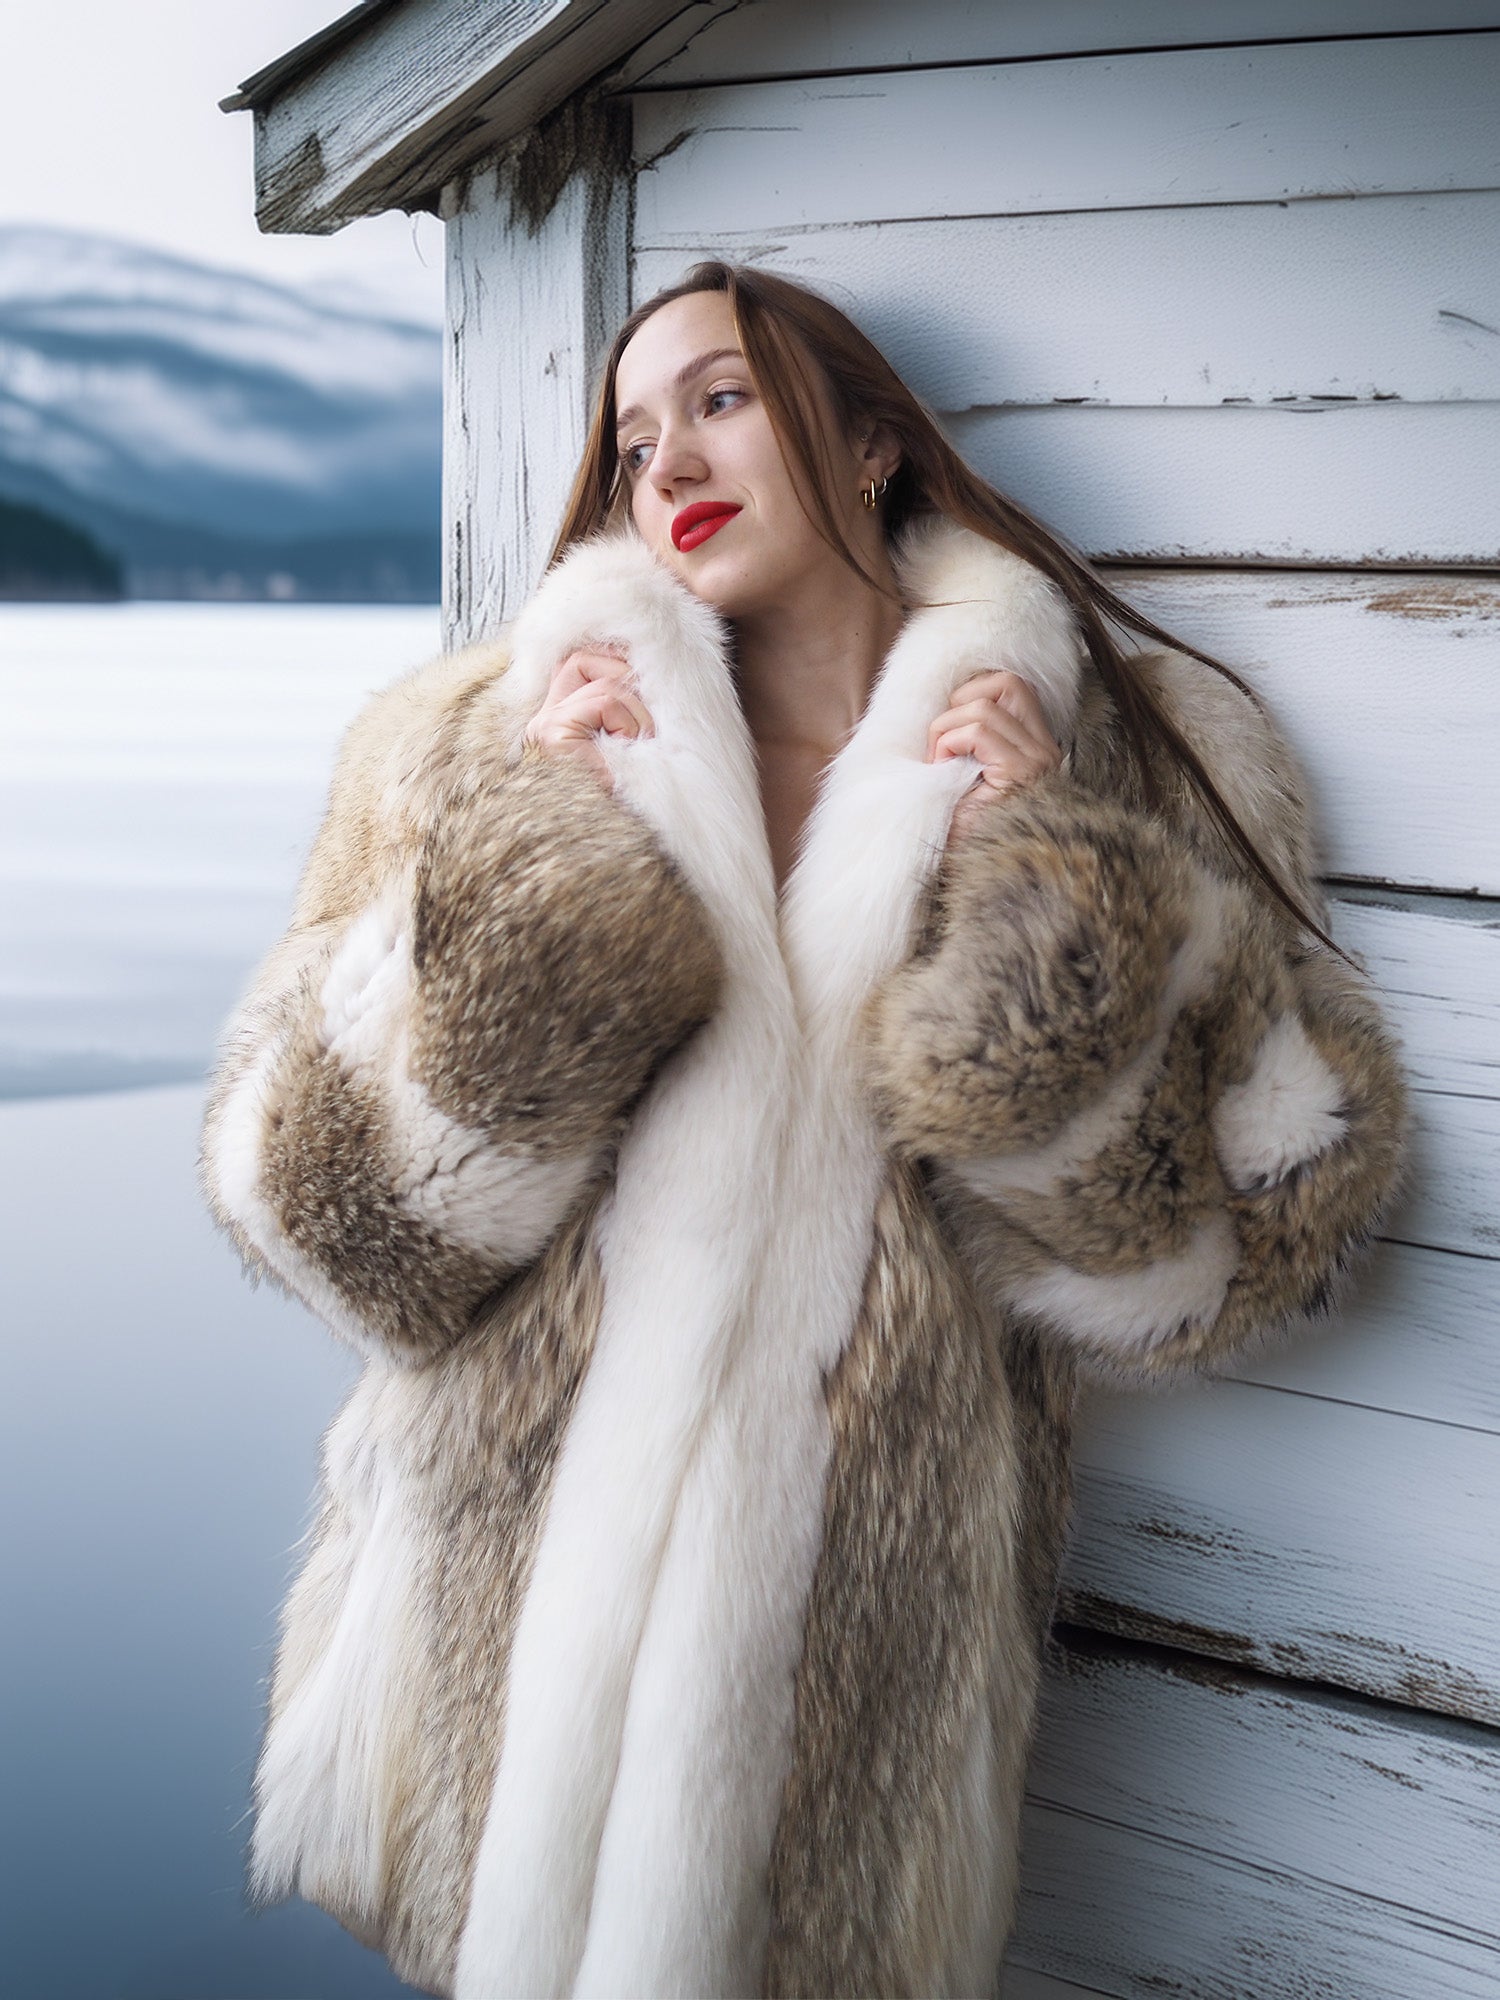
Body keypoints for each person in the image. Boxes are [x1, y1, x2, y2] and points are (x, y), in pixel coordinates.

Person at [200, 261, 1408, 2000]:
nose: (666, 464)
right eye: (629, 439)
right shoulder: (480, 739)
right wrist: (532, 879)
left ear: (869, 452)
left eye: (720, 400)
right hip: (496, 1644)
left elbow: (1239, 1245)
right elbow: (333, 1225)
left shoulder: (1125, 755)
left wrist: (1044, 874)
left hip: (847, 1686)